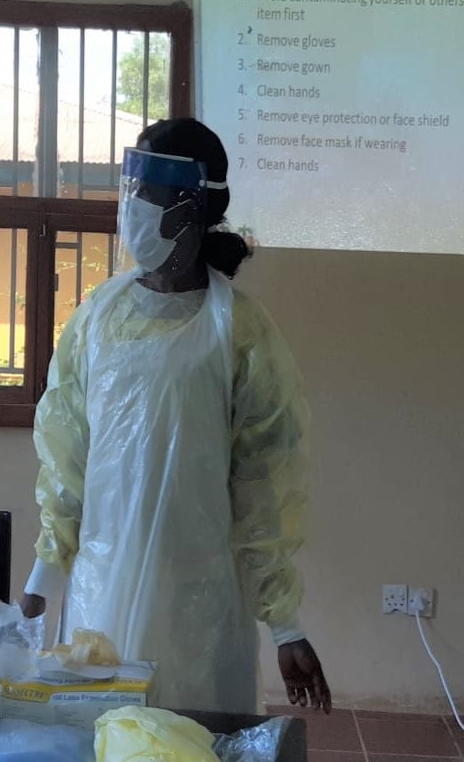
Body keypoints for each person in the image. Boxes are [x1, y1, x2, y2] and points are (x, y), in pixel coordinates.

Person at [21, 118, 331, 715]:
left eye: (152, 197)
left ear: (190, 209)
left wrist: (285, 625)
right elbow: (67, 461)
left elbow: (263, 487)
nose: (135, 210)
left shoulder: (240, 330)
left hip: (202, 602)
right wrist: (43, 581)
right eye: (133, 195)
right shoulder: (97, 320)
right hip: (100, 593)